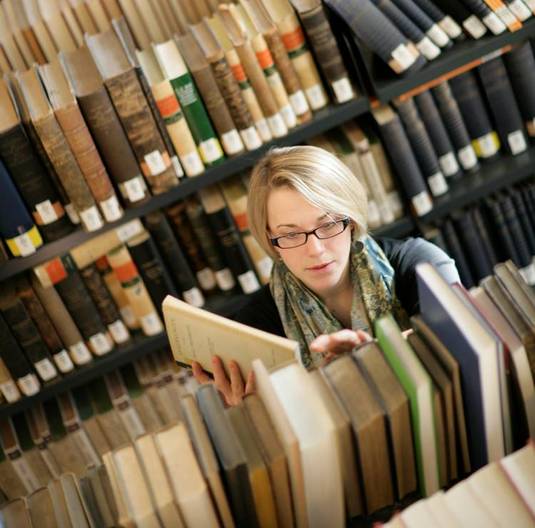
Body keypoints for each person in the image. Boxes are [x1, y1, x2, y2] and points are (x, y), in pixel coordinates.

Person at [192, 145, 460, 405]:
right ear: (268, 236)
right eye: (291, 234)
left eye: (329, 224)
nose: (316, 249)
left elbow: (460, 344)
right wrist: (250, 413)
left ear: (351, 220)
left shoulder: (421, 264)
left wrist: (376, 355)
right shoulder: (255, 326)